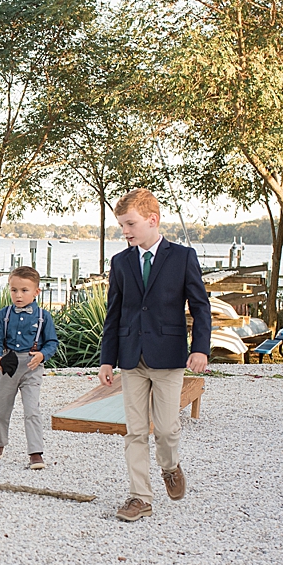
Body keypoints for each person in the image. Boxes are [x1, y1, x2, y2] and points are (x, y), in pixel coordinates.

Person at [98, 189, 211, 523]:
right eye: (121, 226)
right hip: (131, 357)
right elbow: (113, 314)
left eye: (130, 223)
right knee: (135, 430)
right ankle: (140, 497)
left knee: (165, 429)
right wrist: (107, 359)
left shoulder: (183, 257)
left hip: (169, 356)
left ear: (152, 220)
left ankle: (170, 466)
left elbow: (200, 308)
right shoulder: (120, 262)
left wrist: (201, 348)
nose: (125, 231)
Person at [0, 266, 59, 470]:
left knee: (32, 410)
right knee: (0, 408)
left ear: (37, 291)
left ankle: (35, 452)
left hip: (32, 365)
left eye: (24, 290)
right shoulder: (5, 314)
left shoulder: (44, 317)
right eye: (14, 290)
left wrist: (42, 355)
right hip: (8, 365)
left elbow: (52, 342)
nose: (18, 295)